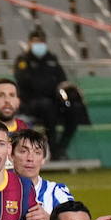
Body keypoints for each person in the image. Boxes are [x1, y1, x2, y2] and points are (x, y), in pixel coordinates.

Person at [14, 29, 87, 161]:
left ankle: (61, 148)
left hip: (53, 101)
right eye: (36, 42)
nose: (39, 45)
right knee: (48, 107)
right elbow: (23, 81)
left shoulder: (52, 60)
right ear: (29, 43)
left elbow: (62, 80)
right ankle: (52, 149)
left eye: (42, 42)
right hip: (31, 103)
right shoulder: (23, 60)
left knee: (74, 108)